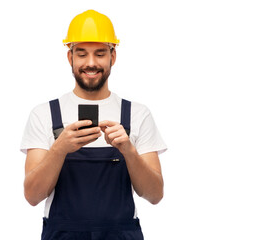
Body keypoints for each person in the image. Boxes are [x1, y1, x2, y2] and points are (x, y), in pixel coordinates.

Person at [20, 9, 167, 240]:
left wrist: (128, 151)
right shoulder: (44, 114)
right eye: (81, 54)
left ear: (113, 57)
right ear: (70, 57)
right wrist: (60, 149)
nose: (91, 63)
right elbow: (32, 196)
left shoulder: (138, 114)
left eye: (100, 54)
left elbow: (155, 195)